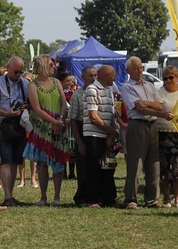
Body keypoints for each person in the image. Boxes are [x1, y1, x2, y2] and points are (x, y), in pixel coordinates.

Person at [121, 56, 172, 208]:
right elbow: (140, 109)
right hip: (138, 125)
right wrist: (160, 113)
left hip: (152, 125)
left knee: (153, 163)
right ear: (128, 70)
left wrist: (148, 103)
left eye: (141, 67)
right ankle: (131, 199)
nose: (139, 70)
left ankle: (152, 199)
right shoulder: (127, 87)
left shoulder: (149, 85)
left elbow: (159, 105)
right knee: (136, 163)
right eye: (136, 68)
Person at [23, 55, 69, 206]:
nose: (53, 67)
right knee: (42, 163)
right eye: (50, 65)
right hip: (42, 129)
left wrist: (60, 120)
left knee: (58, 161)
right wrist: (55, 121)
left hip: (58, 127)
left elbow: (63, 102)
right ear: (43, 66)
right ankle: (43, 197)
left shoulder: (56, 82)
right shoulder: (32, 86)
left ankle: (57, 197)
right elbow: (36, 109)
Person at [0, 57, 29, 207]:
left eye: (20, 72)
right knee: (6, 161)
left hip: (20, 125)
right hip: (4, 125)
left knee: (16, 161)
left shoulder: (25, 83)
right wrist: (6, 113)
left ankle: (11, 196)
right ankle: (7, 196)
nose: (18, 74)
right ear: (8, 68)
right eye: (16, 71)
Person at [83, 65, 119, 208]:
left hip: (105, 134)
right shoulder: (92, 90)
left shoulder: (109, 90)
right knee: (93, 167)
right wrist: (110, 131)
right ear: (107, 77)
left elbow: (111, 113)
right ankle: (92, 200)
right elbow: (93, 117)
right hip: (93, 134)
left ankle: (109, 199)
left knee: (108, 167)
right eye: (113, 75)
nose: (115, 78)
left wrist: (110, 134)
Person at [157, 65, 178, 208]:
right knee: (164, 168)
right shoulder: (159, 93)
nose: (168, 81)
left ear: (177, 77)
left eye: (171, 77)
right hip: (162, 133)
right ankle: (167, 198)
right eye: (165, 78)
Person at [70, 65, 97, 206]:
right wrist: (79, 142)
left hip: (98, 131)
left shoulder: (101, 91)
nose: (93, 78)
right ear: (83, 77)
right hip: (83, 131)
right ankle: (82, 197)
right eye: (90, 75)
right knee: (83, 167)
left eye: (95, 75)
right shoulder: (77, 95)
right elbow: (73, 120)